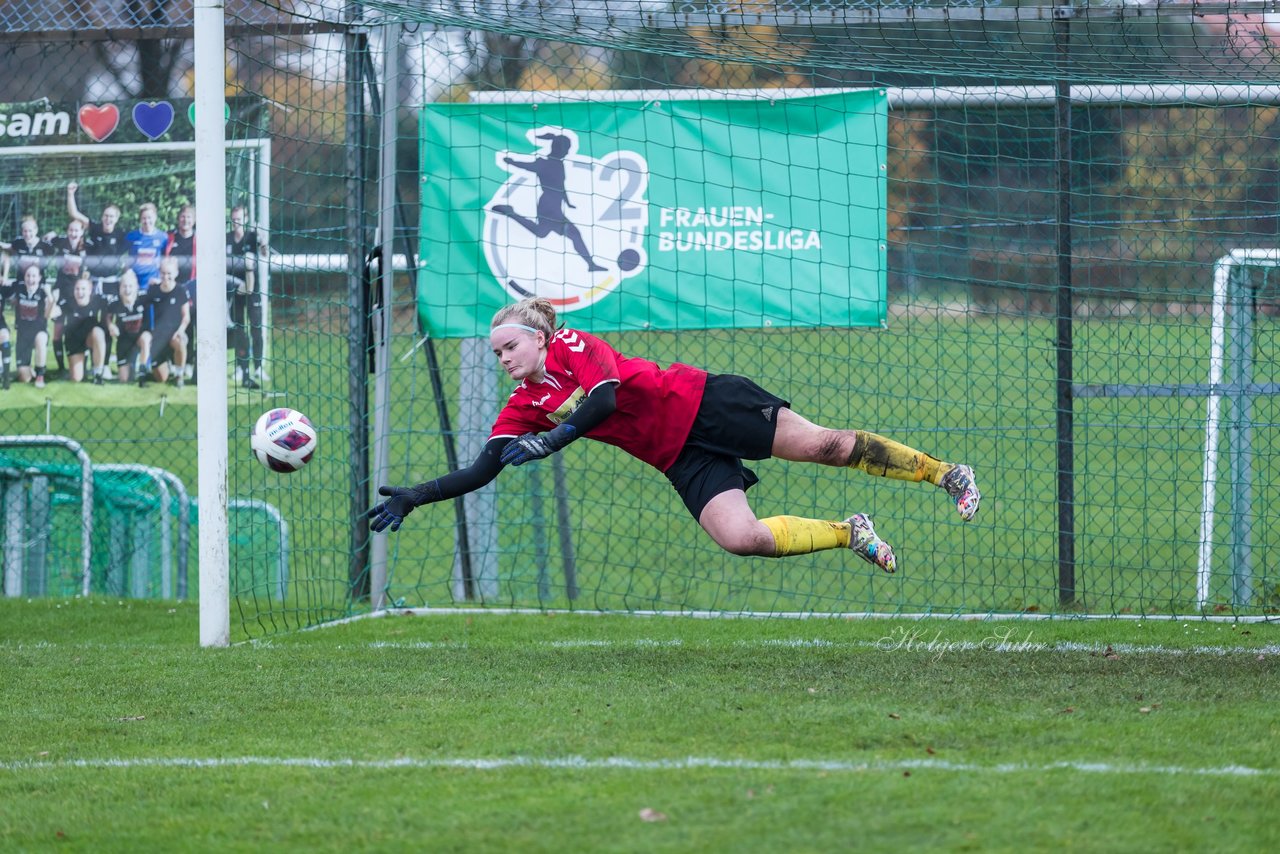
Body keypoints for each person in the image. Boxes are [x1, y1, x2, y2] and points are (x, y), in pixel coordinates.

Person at [368, 298, 982, 572]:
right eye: (496, 351)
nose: (503, 357)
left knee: (825, 446)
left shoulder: (574, 345)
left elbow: (604, 399)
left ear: (538, 338)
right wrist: (415, 496)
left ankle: (944, 472)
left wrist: (555, 441)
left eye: (509, 345)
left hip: (704, 403)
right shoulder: (523, 404)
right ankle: (851, 531)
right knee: (742, 539)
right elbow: (484, 467)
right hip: (678, 455)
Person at [226, 204, 265, 388]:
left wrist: (262, 238)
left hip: (252, 290)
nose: (236, 223)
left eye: (239, 219)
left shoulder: (252, 236)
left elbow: (264, 253)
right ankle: (241, 367)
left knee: (256, 327)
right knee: (239, 330)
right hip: (236, 291)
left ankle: (258, 366)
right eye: (234, 219)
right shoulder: (226, 239)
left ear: (246, 218)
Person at [67, 183, 127, 302]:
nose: (108, 219)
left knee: (108, 316)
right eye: (105, 215)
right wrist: (70, 193)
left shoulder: (121, 234)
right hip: (92, 280)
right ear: (102, 217)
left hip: (111, 281)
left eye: (111, 216)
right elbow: (74, 214)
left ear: (116, 219)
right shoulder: (95, 228)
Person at [48, 218, 92, 378]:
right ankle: (60, 368)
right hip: (60, 292)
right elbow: (44, 242)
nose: (73, 233)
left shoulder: (86, 247)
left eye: (77, 230)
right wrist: (49, 235)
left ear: (82, 232)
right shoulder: (60, 242)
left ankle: (83, 365)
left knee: (79, 329)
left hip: (77, 293)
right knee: (57, 330)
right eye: (71, 230)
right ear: (67, 231)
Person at [138, 257, 189, 388]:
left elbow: (186, 317)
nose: (166, 276)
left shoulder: (180, 291)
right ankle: (142, 376)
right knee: (161, 378)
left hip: (173, 334)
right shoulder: (153, 290)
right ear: (159, 273)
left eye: (169, 273)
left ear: (176, 273)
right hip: (156, 335)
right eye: (163, 273)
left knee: (181, 341)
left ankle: (179, 376)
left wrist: (181, 330)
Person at [51, 272, 107, 384]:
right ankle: (81, 360)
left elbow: (107, 319)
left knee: (98, 332)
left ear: (90, 290)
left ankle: (98, 373)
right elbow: (52, 314)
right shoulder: (68, 303)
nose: (80, 292)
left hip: (90, 337)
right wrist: (52, 301)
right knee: (76, 379)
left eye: (83, 289)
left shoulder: (98, 301)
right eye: (77, 289)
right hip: (74, 340)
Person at [165, 204, 197, 381]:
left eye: (189, 217)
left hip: (192, 288)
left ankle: (189, 364)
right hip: (173, 289)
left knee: (190, 326)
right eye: (183, 217)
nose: (186, 220)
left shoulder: (198, 239)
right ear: (179, 219)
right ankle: (171, 361)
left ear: (194, 220)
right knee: (172, 324)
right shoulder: (170, 238)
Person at [8, 264, 53, 388]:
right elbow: (11, 301)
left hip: (39, 330)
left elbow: (48, 315)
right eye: (28, 275)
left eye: (34, 275)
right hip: (23, 333)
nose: (30, 279)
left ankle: (40, 374)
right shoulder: (19, 289)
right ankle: (29, 370)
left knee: (41, 339)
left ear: (39, 278)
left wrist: (50, 298)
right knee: (24, 378)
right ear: (24, 277)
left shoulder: (44, 292)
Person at [104, 270, 146, 384]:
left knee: (146, 338)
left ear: (136, 286)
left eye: (130, 286)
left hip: (139, 339)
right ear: (120, 287)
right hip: (123, 341)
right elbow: (107, 317)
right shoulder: (114, 302)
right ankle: (132, 365)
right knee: (124, 379)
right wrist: (111, 325)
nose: (127, 290)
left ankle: (142, 370)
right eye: (124, 286)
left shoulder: (144, 297)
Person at [125, 202, 169, 293]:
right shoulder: (132, 236)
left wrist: (161, 279)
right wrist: (128, 274)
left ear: (155, 217)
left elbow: (165, 260)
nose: (147, 221)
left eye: (149, 218)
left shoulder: (163, 237)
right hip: (135, 283)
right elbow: (125, 259)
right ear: (140, 219)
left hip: (154, 283)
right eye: (144, 218)